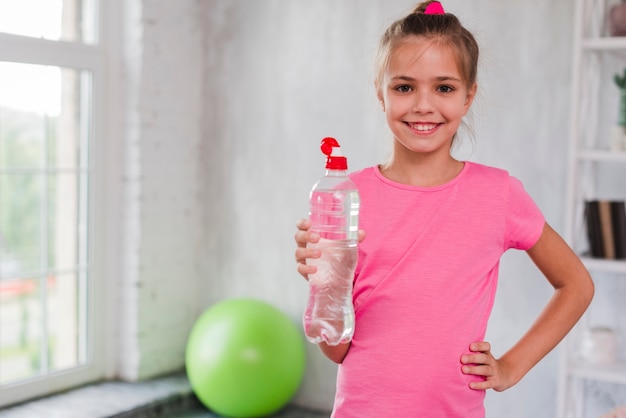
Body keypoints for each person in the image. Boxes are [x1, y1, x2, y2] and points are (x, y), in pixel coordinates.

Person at [293, 1, 595, 417]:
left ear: (469, 95)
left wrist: (510, 367)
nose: (423, 105)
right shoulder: (347, 198)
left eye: (444, 87)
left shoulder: (498, 194)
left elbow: (576, 285)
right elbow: (337, 351)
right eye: (403, 87)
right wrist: (327, 283)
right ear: (379, 93)